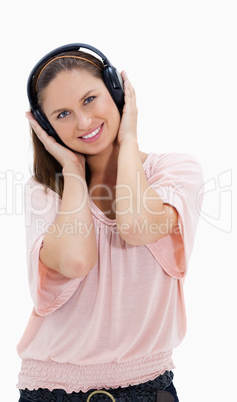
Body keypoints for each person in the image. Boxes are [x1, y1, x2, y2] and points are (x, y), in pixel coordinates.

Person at [17, 43, 203, 402]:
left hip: (149, 386)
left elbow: (136, 225)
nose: (84, 122)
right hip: (52, 390)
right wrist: (72, 171)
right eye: (62, 115)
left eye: (89, 100)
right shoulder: (45, 192)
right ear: (45, 126)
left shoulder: (176, 171)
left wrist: (128, 138)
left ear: (116, 92)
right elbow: (75, 261)